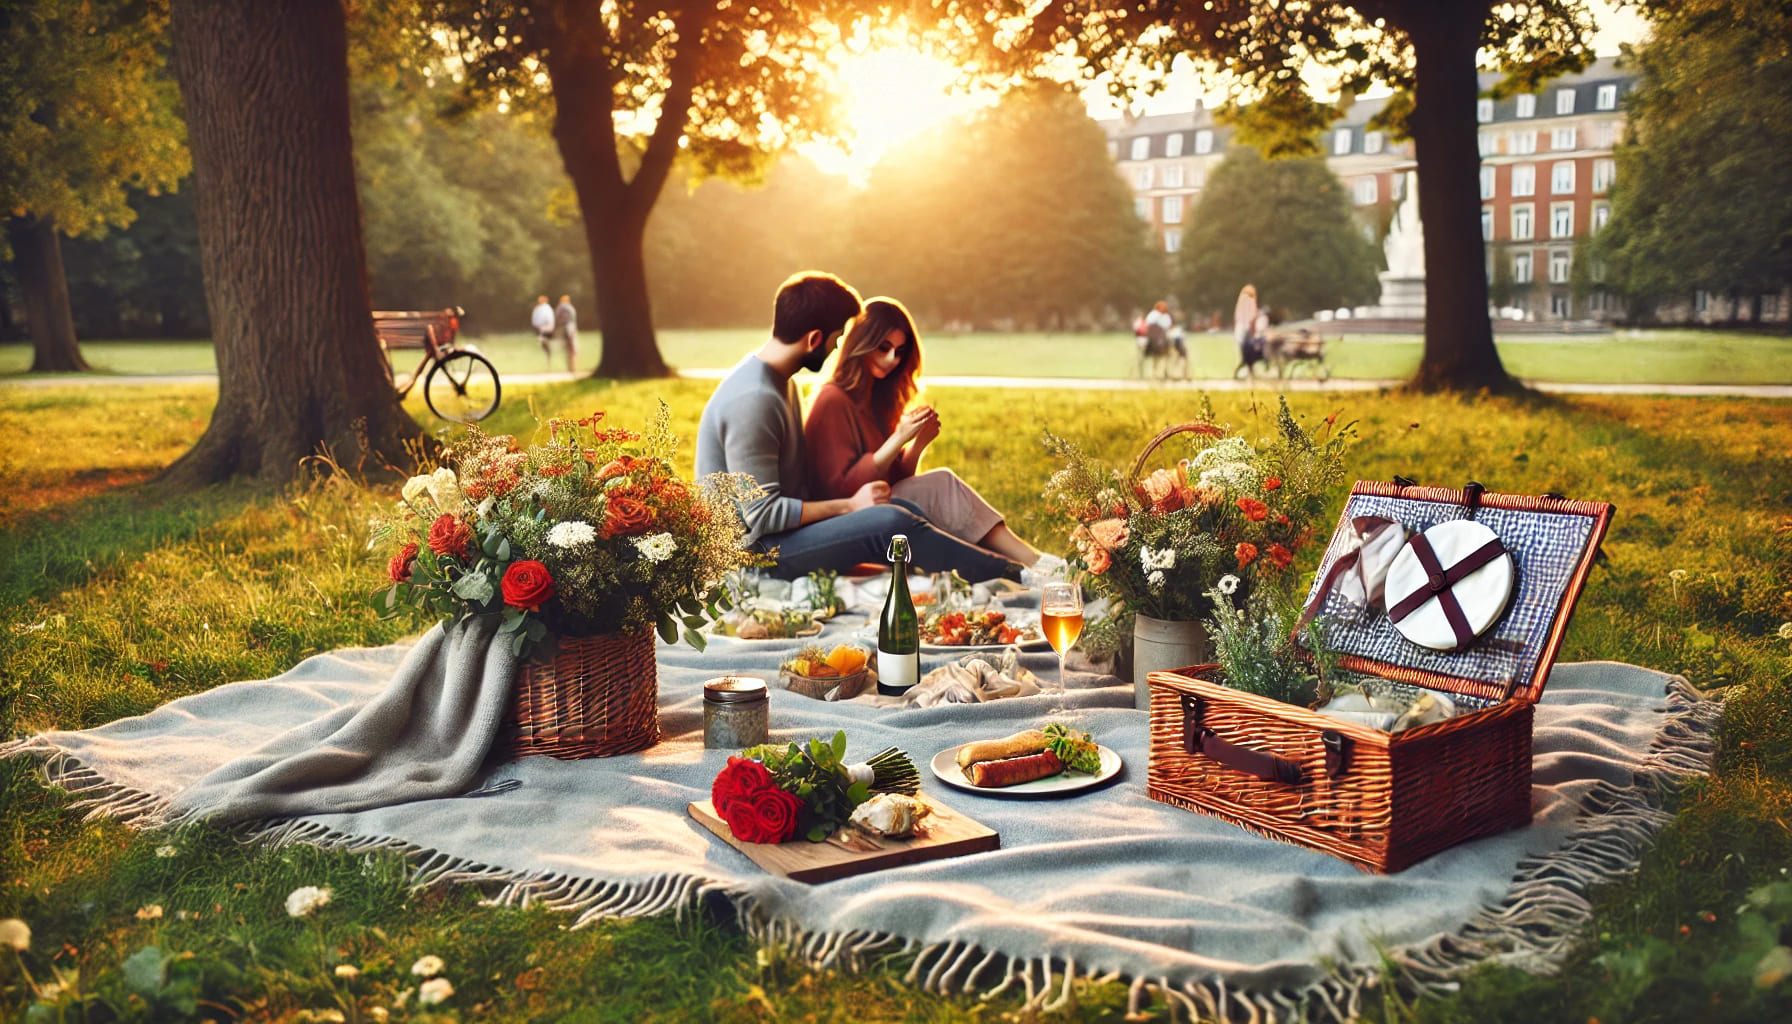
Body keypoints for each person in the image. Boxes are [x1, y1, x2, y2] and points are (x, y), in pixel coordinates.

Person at [695, 273, 1028, 583]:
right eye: (837, 338)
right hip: (757, 557)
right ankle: (1016, 576)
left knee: (900, 511)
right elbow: (762, 517)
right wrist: (850, 507)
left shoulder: (779, 383)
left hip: (782, 539)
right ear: (814, 339)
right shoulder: (755, 399)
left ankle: (987, 574)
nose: (838, 347)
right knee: (891, 522)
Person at [804, 297, 1065, 578]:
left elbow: (895, 479)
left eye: (900, 351)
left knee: (942, 485)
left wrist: (917, 445)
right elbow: (843, 490)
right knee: (942, 487)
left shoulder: (876, 397)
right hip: (841, 521)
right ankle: (1032, 566)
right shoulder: (833, 399)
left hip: (878, 507)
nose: (892, 359)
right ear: (861, 344)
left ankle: (1029, 566)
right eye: (883, 348)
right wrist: (897, 439)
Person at [552, 294, 579, 373]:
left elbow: (556, 318)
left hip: (564, 329)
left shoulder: (560, 307)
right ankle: (573, 367)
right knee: (573, 349)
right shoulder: (571, 307)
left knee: (568, 349)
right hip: (572, 329)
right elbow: (574, 319)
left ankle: (571, 368)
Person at [531, 295, 555, 367]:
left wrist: (537, 326)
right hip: (546, 327)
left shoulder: (541, 308)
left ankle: (548, 359)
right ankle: (548, 359)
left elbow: (535, 319)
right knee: (544, 343)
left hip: (544, 328)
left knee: (543, 342)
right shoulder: (546, 308)